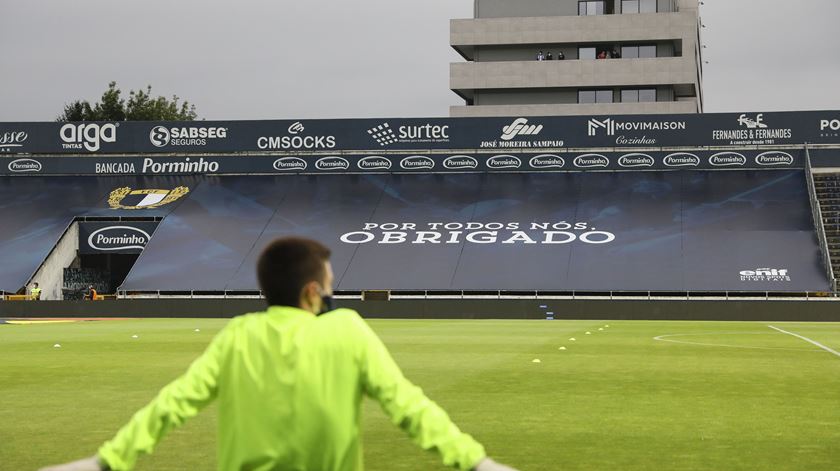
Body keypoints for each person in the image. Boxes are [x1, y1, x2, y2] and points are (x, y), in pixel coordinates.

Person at [39, 237, 518, 471]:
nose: (334, 290)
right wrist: (476, 462)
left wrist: (106, 462)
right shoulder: (348, 330)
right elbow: (409, 407)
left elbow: (173, 404)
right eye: (329, 283)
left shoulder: (238, 335)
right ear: (313, 293)